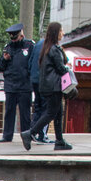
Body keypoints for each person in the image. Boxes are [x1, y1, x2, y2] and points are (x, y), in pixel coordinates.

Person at [23, 22, 72, 151]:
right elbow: (61, 68)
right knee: (51, 112)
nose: (63, 33)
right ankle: (30, 133)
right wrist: (68, 71)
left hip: (48, 85)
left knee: (58, 113)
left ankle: (60, 141)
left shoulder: (47, 47)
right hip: (53, 86)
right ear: (56, 33)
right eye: (61, 31)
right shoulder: (54, 49)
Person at [0, 23, 35, 144]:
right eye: (12, 37)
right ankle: (7, 136)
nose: (14, 40)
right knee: (9, 111)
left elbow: (33, 63)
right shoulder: (8, 47)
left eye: (15, 37)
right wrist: (4, 59)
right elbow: (1, 66)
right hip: (11, 84)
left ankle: (27, 136)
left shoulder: (29, 45)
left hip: (25, 85)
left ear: (21, 34)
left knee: (25, 113)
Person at [27, 35, 52, 145]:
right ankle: (42, 135)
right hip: (45, 81)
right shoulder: (51, 46)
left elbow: (30, 62)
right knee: (47, 109)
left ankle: (32, 133)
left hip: (35, 79)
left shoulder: (37, 44)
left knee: (37, 107)